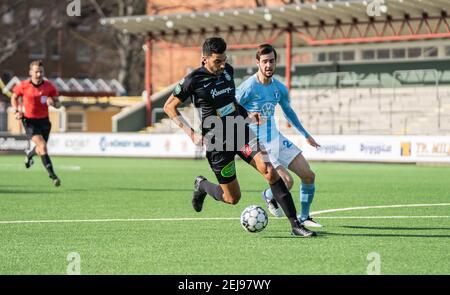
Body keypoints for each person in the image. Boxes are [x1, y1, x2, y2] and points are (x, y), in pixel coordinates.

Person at [164, 37, 315, 237]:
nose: (222, 65)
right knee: (232, 198)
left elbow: (231, 102)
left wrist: (246, 115)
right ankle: (202, 185)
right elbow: (169, 107)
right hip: (218, 142)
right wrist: (190, 133)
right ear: (204, 59)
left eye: (224, 59)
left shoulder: (228, 71)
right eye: (217, 61)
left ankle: (295, 224)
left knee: (269, 170)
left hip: (239, 131)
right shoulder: (193, 80)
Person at [236, 44, 322, 228]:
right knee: (287, 181)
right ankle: (270, 196)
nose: (269, 65)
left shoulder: (279, 88)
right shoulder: (248, 87)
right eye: (265, 61)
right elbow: (231, 108)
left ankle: (304, 216)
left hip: (276, 138)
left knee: (308, 175)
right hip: (260, 144)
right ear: (257, 62)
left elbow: (288, 111)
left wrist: (306, 135)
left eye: (272, 61)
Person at [10, 60, 61, 187]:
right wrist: (16, 111)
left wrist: (53, 103)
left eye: (41, 72)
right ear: (30, 72)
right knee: (42, 146)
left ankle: (29, 155)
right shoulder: (23, 85)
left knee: (40, 149)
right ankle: (53, 176)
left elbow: (59, 104)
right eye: (36, 72)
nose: (39, 74)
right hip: (29, 121)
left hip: (44, 121)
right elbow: (13, 97)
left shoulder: (49, 86)